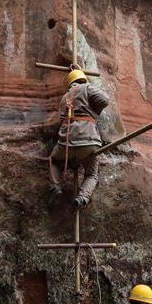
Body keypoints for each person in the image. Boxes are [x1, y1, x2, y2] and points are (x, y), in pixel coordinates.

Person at [49, 68, 109, 207]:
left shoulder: (64, 98)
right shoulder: (87, 87)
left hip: (66, 144)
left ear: (70, 83)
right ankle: (82, 198)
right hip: (89, 142)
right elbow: (104, 100)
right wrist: (93, 111)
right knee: (91, 174)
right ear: (83, 79)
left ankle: (56, 186)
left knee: (54, 159)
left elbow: (61, 119)